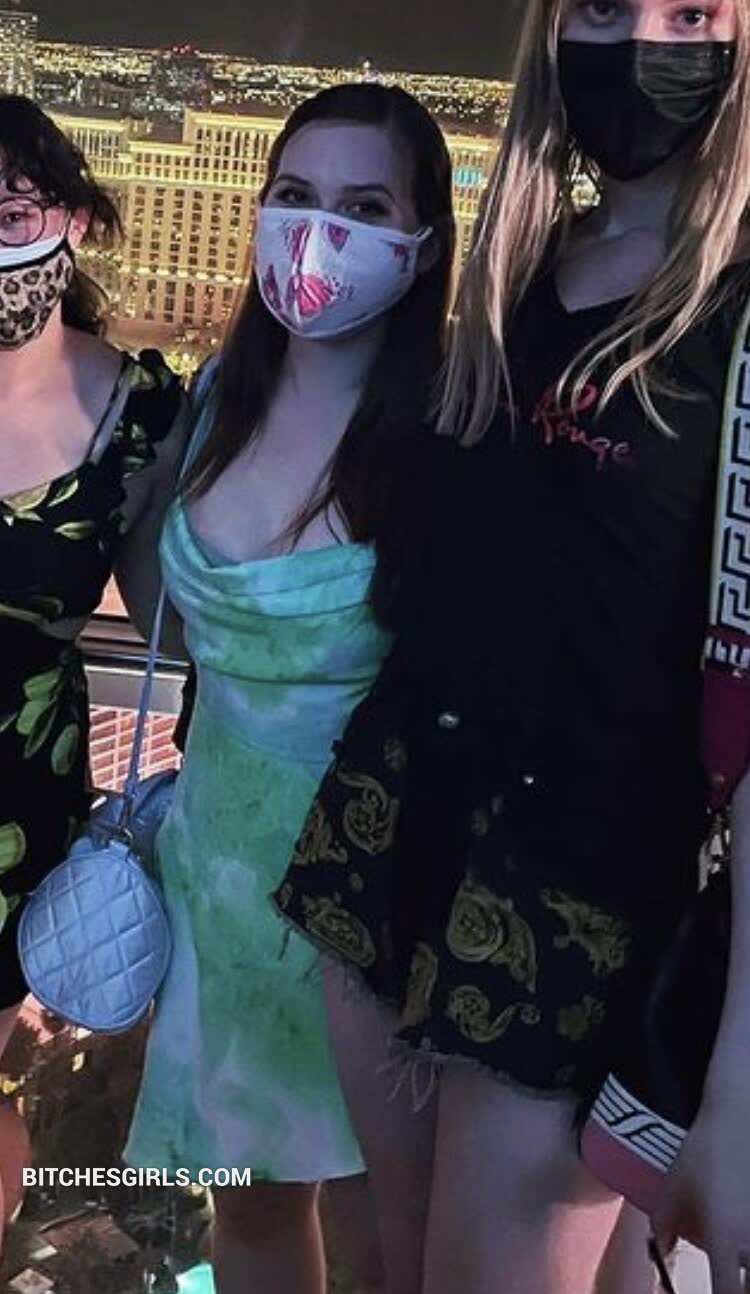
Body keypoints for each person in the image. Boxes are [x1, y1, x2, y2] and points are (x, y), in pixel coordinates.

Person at [272, 3, 750, 1293]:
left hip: (584, 898)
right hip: (396, 832)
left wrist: (739, 1075)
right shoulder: (516, 271)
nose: (641, 44)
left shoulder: (739, 308)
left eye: (690, 11)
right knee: (387, 1268)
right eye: (601, 8)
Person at [125, 83, 456, 1294]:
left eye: (365, 207)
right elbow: (167, 620)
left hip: (373, 889)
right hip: (217, 869)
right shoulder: (218, 395)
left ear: (422, 243)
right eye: (298, 196)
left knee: (383, 1225)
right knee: (252, 1202)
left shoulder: (451, 434)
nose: (321, 233)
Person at [0, 96, 187, 1059]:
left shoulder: (139, 418)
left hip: (15, 805)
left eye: (10, 217)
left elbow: (176, 627)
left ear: (73, 223)